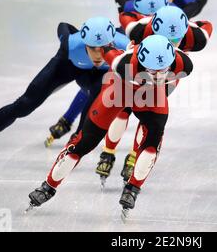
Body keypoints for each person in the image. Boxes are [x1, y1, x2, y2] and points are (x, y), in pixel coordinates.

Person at [27, 34, 194, 216]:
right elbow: (108, 52)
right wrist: (105, 45)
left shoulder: (183, 63)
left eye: (163, 70)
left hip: (151, 96)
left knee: (152, 142)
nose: (158, 75)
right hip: (119, 90)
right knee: (84, 142)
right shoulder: (123, 64)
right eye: (152, 71)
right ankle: (48, 186)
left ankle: (132, 189)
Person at [0, 17, 129, 161]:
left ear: (113, 42)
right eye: (93, 49)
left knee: (98, 96)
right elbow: (63, 27)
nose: (99, 55)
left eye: (105, 49)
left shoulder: (125, 46)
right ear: (84, 43)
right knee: (25, 104)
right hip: (69, 66)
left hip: (98, 77)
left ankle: (76, 141)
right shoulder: (71, 45)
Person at [96, 6, 213, 184]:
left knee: (147, 119)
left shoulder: (193, 37)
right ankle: (108, 152)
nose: (171, 45)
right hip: (139, 75)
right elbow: (206, 25)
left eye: (176, 39)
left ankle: (130, 156)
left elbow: (126, 15)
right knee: (124, 109)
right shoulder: (141, 30)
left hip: (164, 79)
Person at [44, 0, 169, 148]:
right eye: (145, 13)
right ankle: (69, 121)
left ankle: (70, 123)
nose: (148, 17)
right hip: (119, 48)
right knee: (94, 89)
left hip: (129, 53)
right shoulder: (135, 12)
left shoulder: (163, 19)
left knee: (100, 90)